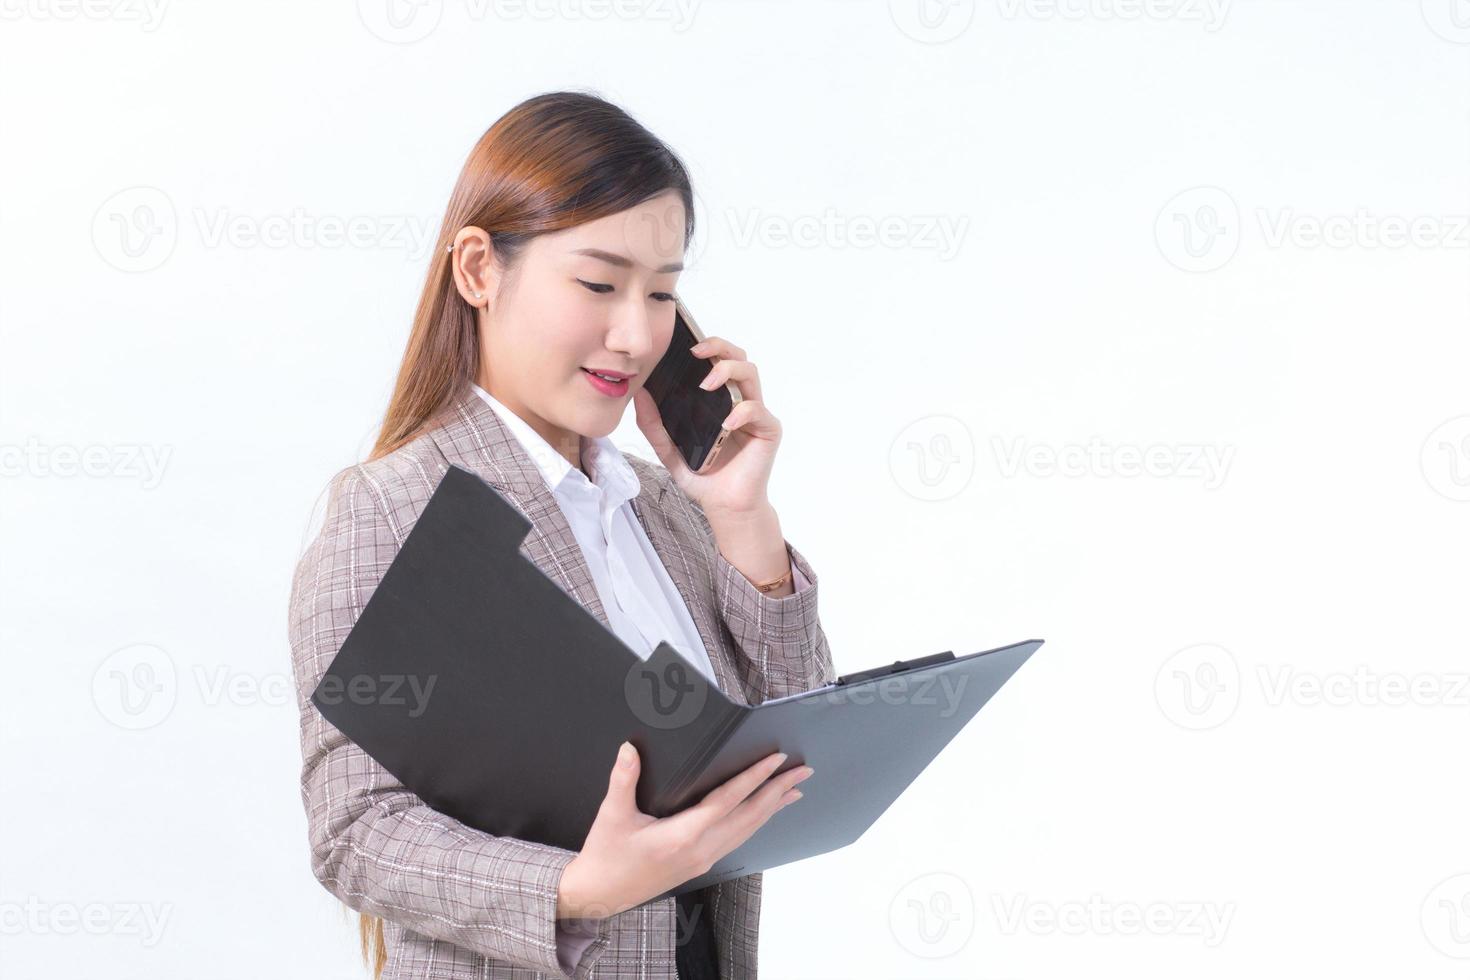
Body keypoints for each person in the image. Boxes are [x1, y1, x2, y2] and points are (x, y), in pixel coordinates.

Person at [287, 90, 834, 980]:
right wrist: (575, 887)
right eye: (597, 283)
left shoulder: (669, 508)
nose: (635, 333)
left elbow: (799, 755)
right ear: (478, 270)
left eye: (662, 293)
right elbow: (354, 829)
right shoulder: (392, 509)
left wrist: (742, 517)